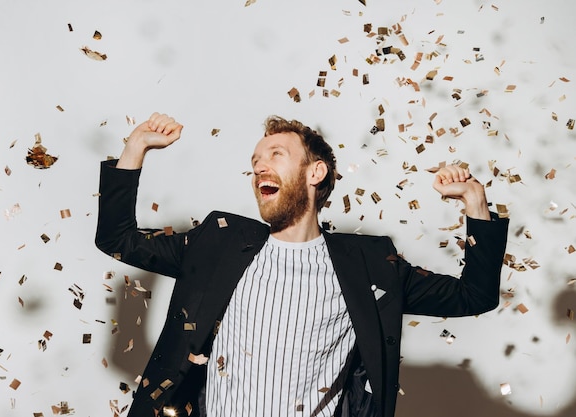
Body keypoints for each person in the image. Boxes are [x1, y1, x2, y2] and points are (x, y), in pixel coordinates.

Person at [96, 112, 509, 417]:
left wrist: (475, 202)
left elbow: (473, 295)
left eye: (276, 153)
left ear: (316, 173)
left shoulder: (370, 264)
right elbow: (119, 241)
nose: (260, 165)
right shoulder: (216, 243)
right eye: (256, 159)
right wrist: (135, 148)